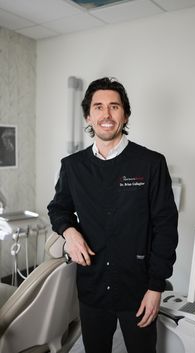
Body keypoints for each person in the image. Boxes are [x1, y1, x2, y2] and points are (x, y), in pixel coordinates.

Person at [47, 77, 178, 353]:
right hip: (92, 289)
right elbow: (58, 208)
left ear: (125, 114)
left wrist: (156, 288)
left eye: (114, 107)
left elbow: (165, 228)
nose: (106, 114)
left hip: (139, 289)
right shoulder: (72, 166)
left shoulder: (151, 163)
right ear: (88, 115)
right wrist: (69, 232)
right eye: (98, 107)